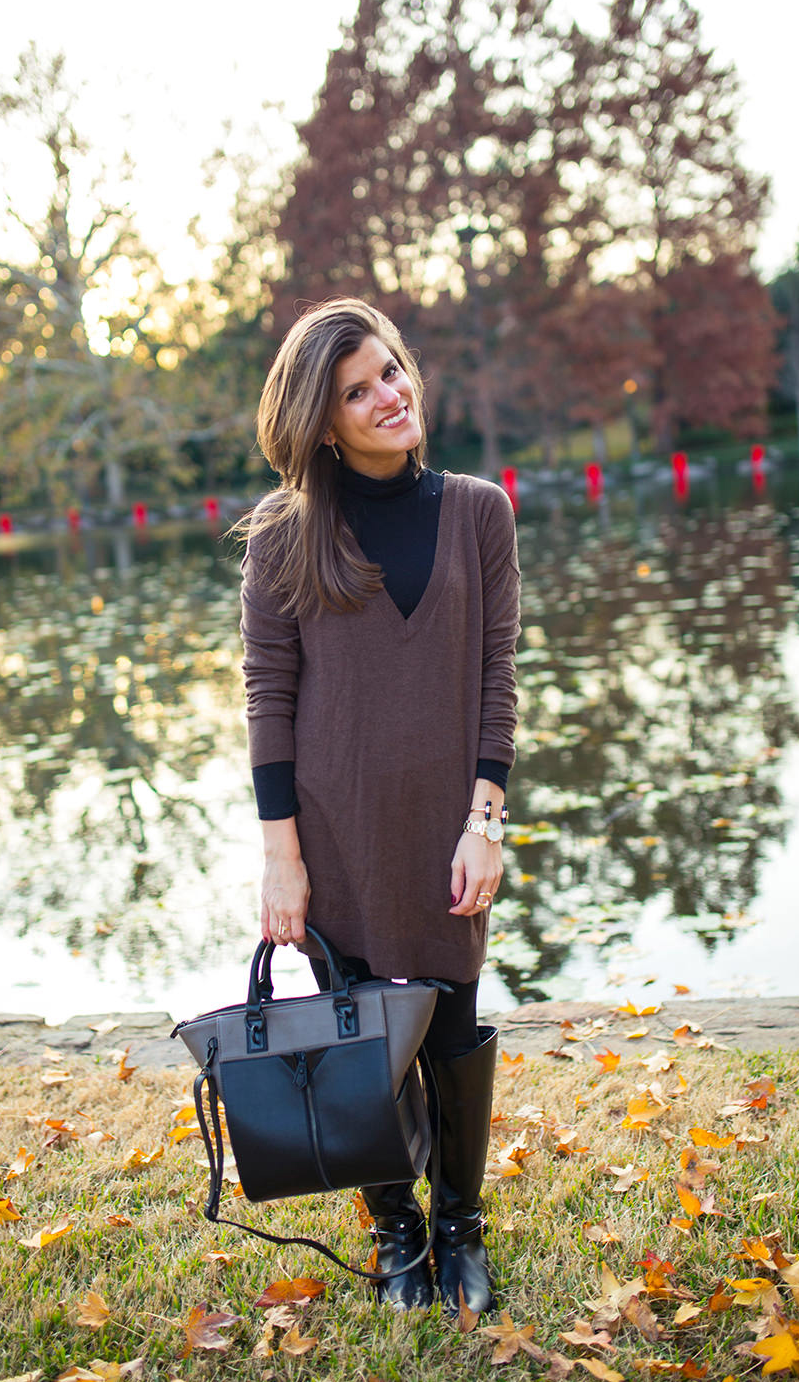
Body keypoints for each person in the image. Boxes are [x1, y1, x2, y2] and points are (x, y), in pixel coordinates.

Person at [239, 297, 520, 1314]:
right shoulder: (282, 536)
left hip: (449, 834)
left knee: (450, 1030)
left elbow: (498, 679)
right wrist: (284, 859)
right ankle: (396, 1232)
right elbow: (269, 701)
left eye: (391, 372)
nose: (388, 397)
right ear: (323, 419)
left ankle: (461, 1229)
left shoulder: (479, 511)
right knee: (363, 1044)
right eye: (358, 391)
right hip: (334, 831)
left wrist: (486, 821)